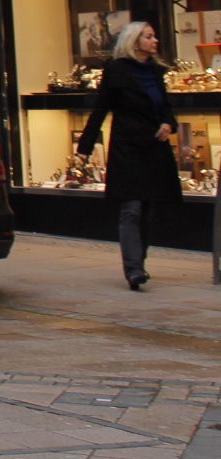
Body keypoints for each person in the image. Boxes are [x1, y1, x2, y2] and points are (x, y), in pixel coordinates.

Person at [77, 19, 181, 289]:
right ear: (135, 41)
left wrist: (169, 124)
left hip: (154, 148)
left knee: (147, 209)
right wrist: (84, 148)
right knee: (131, 209)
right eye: (149, 36)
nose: (155, 41)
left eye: (154, 36)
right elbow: (100, 109)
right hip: (128, 148)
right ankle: (133, 269)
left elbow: (166, 107)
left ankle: (139, 262)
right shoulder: (117, 70)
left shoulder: (155, 72)